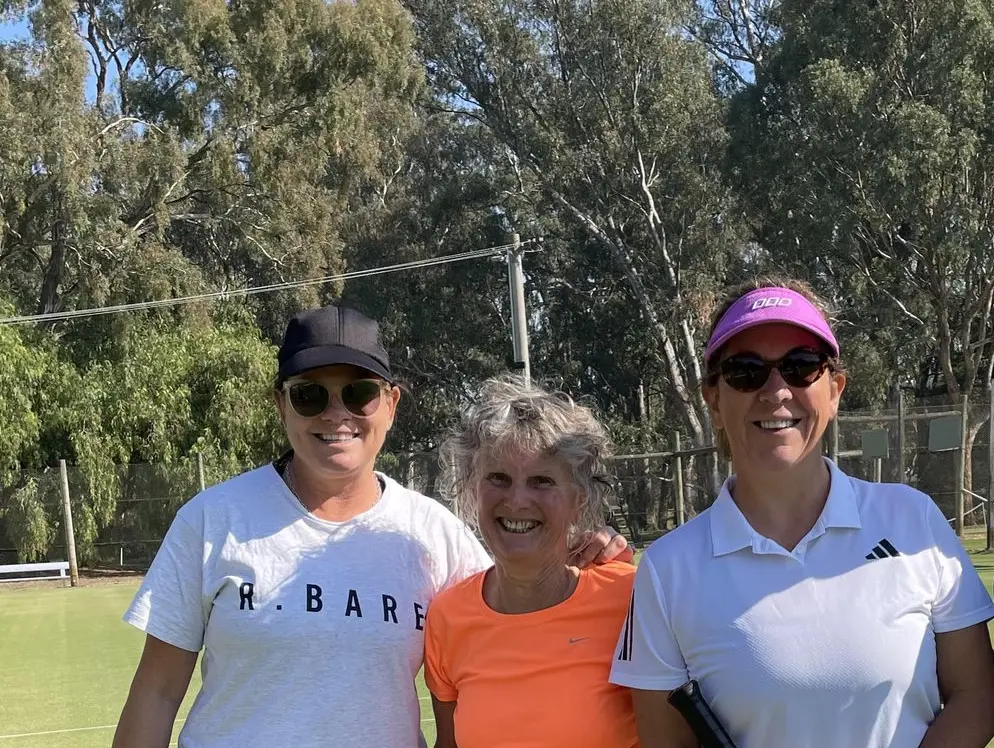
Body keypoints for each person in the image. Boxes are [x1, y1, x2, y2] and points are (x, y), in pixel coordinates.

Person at [113, 305, 630, 748]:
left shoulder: (433, 532)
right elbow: (158, 691)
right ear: (281, 404)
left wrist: (588, 548)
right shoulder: (213, 519)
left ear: (391, 404)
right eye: (310, 395)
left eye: (358, 393)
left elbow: (519, 602)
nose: (336, 414)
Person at [609, 279, 994, 748]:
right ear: (713, 400)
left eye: (801, 366)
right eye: (745, 371)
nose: (776, 390)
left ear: (834, 390)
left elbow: (976, 698)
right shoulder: (667, 569)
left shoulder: (912, 518)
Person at [423, 375, 640, 748]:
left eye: (542, 480)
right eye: (498, 478)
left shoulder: (632, 599)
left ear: (579, 500)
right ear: (472, 489)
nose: (518, 501)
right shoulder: (447, 618)